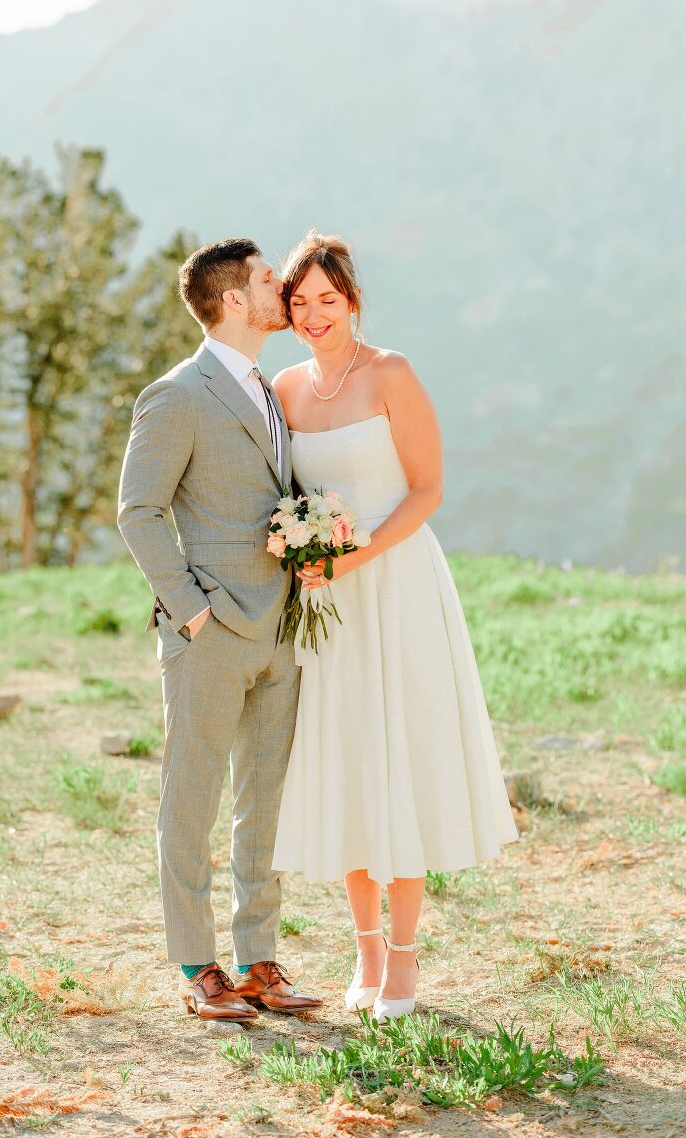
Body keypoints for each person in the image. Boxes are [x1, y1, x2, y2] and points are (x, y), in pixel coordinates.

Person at [271, 231, 518, 1023]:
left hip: (399, 583)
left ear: (353, 299)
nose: (313, 315)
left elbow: (427, 489)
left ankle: (406, 959)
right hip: (330, 610)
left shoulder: (392, 373)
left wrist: (358, 555)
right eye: (300, 302)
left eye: (327, 300)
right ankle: (366, 949)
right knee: (348, 759)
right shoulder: (284, 391)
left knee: (401, 758)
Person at [118, 238, 322, 1022]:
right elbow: (137, 511)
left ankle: (257, 957)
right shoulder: (177, 393)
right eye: (272, 279)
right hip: (208, 633)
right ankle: (198, 964)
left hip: (279, 630)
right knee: (192, 796)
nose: (284, 287)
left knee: (263, 800)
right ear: (235, 298)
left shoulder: (270, 389)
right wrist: (190, 608)